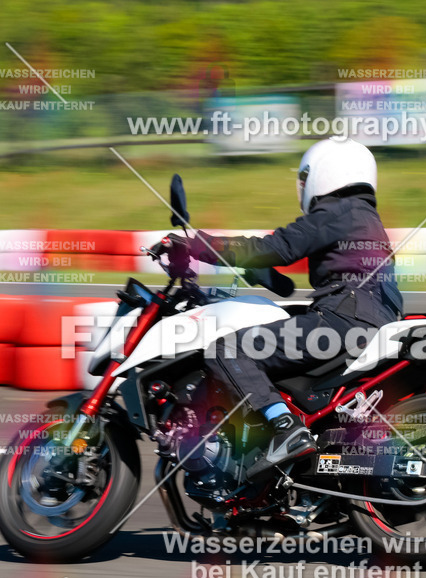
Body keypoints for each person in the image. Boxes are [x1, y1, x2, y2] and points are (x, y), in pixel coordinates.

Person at [157, 137, 403, 480]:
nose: (302, 186)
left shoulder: (338, 210)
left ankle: (285, 429)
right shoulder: (363, 218)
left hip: (343, 320)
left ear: (326, 173)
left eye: (304, 178)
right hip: (369, 321)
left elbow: (277, 246)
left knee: (228, 348)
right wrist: (266, 275)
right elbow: (286, 270)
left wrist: (200, 245)